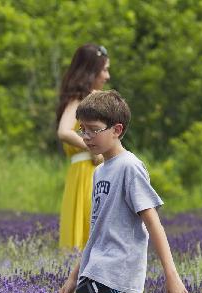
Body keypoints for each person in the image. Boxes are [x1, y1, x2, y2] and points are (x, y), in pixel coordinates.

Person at [57, 90, 188, 293]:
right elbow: (96, 231)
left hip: (116, 275)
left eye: (93, 130)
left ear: (117, 129)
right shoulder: (99, 172)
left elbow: (154, 224)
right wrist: (74, 277)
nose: (86, 137)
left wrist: (171, 276)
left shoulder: (130, 167)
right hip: (94, 271)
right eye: (83, 130)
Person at [56, 43, 111, 249]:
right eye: (104, 69)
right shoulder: (79, 99)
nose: (107, 76)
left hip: (93, 171)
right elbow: (64, 131)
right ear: (92, 71)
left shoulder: (93, 98)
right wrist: (92, 147)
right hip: (85, 175)